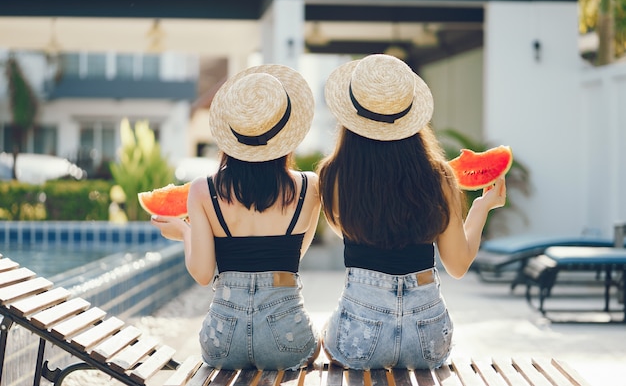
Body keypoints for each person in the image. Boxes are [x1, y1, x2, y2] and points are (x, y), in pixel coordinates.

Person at [317, 54, 506, 370]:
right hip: (428, 341)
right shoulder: (440, 176)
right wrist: (481, 207)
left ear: (350, 117)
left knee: (326, 333)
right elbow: (458, 265)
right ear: (411, 118)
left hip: (360, 340)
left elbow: (344, 229)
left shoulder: (333, 175)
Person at [151, 64, 321, 370]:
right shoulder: (310, 187)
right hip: (288, 341)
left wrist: (185, 233)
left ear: (230, 133)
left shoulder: (204, 190)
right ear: (285, 132)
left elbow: (203, 275)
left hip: (222, 343)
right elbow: (294, 257)